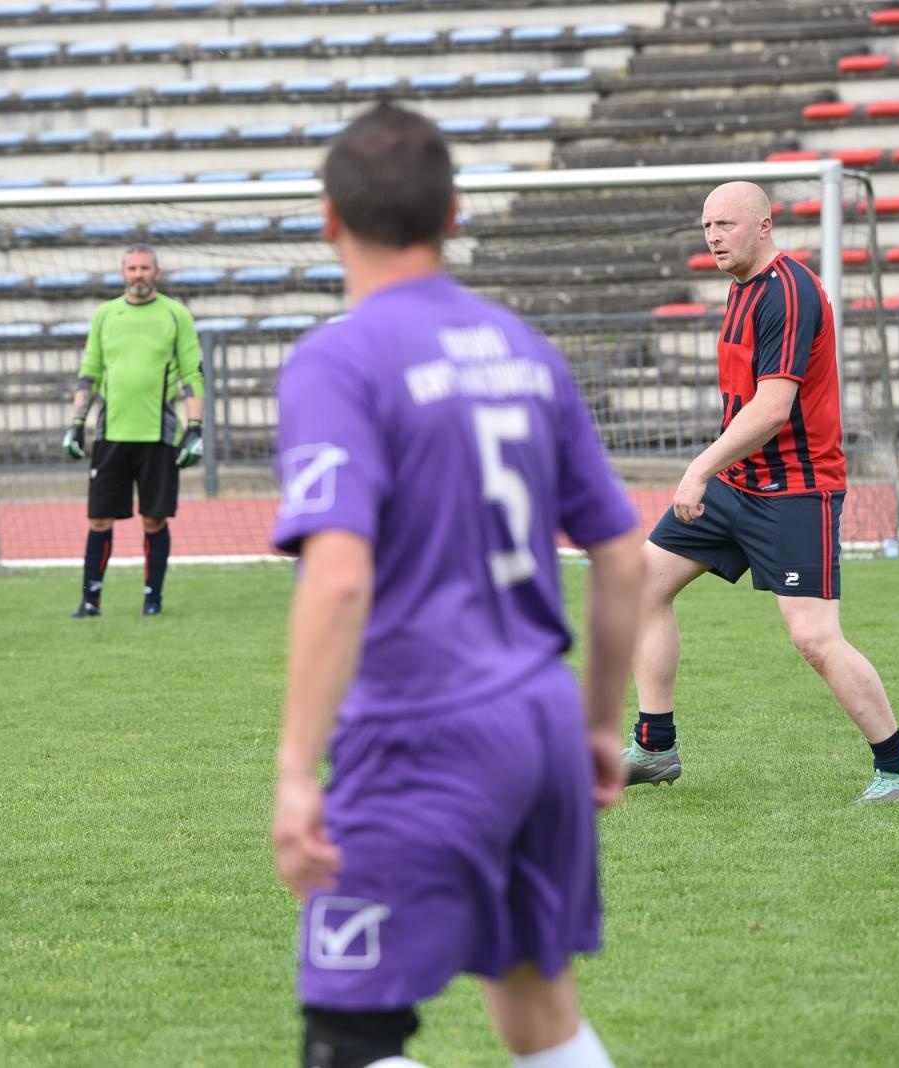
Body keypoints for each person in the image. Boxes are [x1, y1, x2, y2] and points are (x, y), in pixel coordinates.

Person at [269, 102, 644, 1068]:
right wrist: (602, 726)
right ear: (455, 212)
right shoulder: (524, 350)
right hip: (540, 721)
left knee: (347, 1043)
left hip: (422, 735)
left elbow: (341, 579)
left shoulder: (339, 358)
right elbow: (620, 552)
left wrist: (294, 772)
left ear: (328, 218)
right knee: (536, 1002)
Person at [621, 181, 899, 804]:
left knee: (814, 637)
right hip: (739, 483)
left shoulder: (788, 291)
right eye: (707, 225)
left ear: (764, 226)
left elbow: (771, 406)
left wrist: (698, 468)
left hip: (794, 489)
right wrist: (717, 471)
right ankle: (655, 749)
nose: (713, 236)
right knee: (638, 588)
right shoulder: (741, 287)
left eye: (726, 224)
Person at [62, 243, 205, 618]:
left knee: (154, 519)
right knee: (98, 518)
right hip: (110, 433)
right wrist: (77, 423)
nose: (138, 274)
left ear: (156, 273)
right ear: (122, 273)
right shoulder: (106, 315)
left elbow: (193, 374)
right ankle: (91, 600)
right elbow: (89, 372)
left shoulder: (176, 315)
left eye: (145, 268)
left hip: (159, 435)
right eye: (132, 268)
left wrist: (195, 428)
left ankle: (152, 599)